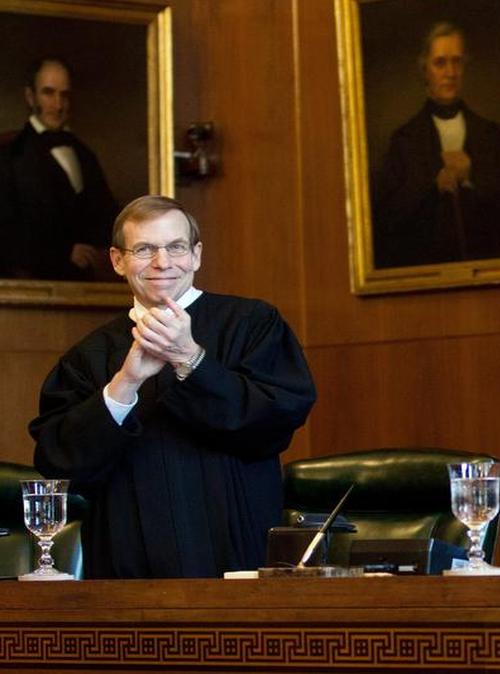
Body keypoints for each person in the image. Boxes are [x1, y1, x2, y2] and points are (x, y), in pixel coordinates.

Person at [30, 195, 317, 579]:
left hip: (237, 558)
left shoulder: (252, 323)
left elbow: (275, 422)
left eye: (176, 247)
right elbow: (60, 465)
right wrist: (125, 384)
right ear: (118, 261)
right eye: (145, 249)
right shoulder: (88, 356)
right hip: (125, 569)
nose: (162, 262)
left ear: (196, 255)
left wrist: (190, 359)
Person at [371, 21, 500, 268]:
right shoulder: (404, 140)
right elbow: (388, 219)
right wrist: (433, 185)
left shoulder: (490, 134)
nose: (450, 72)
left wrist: (472, 177)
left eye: (456, 62)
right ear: (424, 70)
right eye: (440, 63)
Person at [0, 57, 118, 280]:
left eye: (64, 95)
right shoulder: (9, 156)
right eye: (48, 93)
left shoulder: (85, 155)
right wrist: (63, 253)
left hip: (87, 284)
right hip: (32, 287)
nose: (58, 105)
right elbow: (6, 234)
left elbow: (106, 214)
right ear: (30, 96)